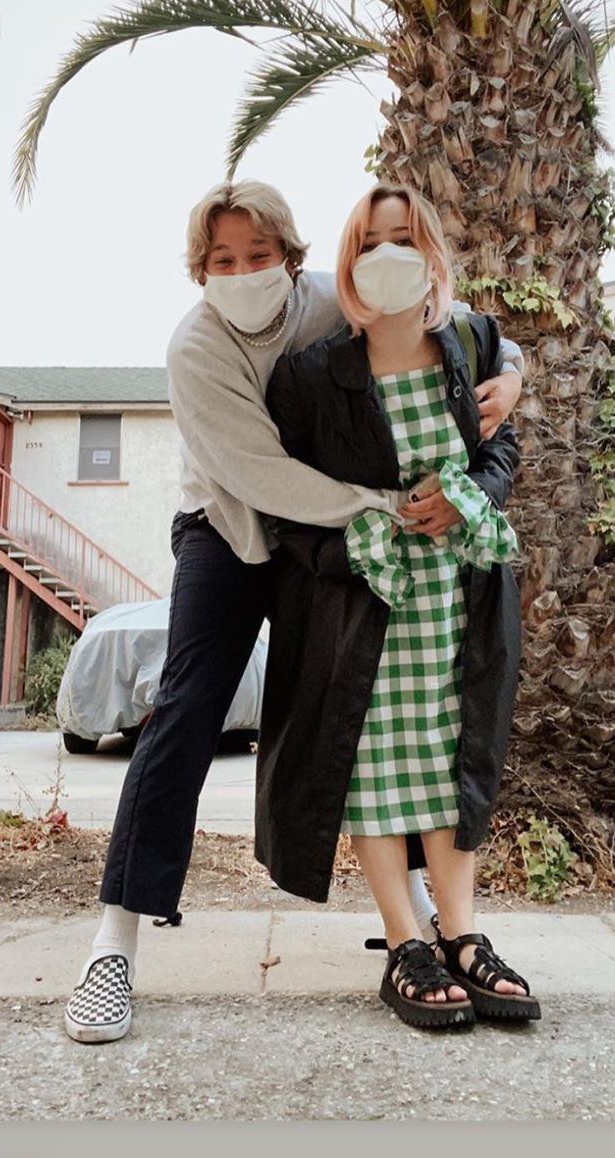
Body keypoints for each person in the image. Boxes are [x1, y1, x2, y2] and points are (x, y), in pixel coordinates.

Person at [64, 179, 525, 1043]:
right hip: (232, 530)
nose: (243, 271)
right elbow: (260, 475)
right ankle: (114, 941)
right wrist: (383, 508)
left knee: (379, 699)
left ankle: (421, 915)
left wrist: (512, 376)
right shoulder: (195, 348)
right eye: (222, 259)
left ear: (291, 257)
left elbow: (454, 326)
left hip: (334, 529)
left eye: (259, 254)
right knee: (186, 710)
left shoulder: (328, 297)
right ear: (200, 270)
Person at [255, 185, 538, 1029]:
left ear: (433, 256)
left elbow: (501, 449)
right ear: (349, 262)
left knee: (453, 760)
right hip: (365, 606)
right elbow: (283, 507)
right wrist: (347, 555)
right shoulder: (311, 376)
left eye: (406, 239)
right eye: (372, 242)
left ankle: (463, 936)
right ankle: (405, 942)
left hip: (461, 595)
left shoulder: (471, 345)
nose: (389, 256)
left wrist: (470, 496)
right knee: (376, 764)